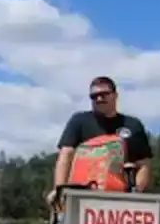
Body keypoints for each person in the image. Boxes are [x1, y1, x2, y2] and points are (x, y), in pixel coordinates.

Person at [47, 76, 153, 210]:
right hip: (80, 197)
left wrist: (136, 194)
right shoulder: (79, 121)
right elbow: (65, 155)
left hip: (119, 200)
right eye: (94, 96)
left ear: (115, 95)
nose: (99, 99)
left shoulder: (133, 125)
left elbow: (144, 165)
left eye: (104, 95)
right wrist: (59, 190)